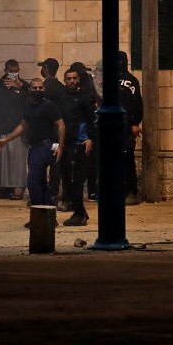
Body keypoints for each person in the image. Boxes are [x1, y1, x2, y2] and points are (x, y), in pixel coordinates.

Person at [0, 77, 64, 228]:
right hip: (35, 147)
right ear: (30, 89)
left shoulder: (49, 105)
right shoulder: (29, 107)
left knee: (33, 182)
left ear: (44, 89)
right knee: (41, 183)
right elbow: (23, 126)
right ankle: (48, 218)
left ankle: (39, 217)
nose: (38, 90)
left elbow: (61, 125)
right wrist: (7, 140)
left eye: (40, 88)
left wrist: (60, 147)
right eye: (35, 88)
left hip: (46, 146)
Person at [59, 64, 96, 226]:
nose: (72, 81)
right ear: (65, 81)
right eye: (69, 79)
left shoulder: (84, 98)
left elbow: (92, 120)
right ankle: (80, 212)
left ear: (78, 79)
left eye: (74, 78)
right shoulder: (61, 98)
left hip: (80, 144)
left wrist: (90, 138)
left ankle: (79, 213)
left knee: (77, 181)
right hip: (66, 144)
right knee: (67, 179)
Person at [0, 59, 27, 200]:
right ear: (5, 70)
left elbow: (30, 103)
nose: (13, 73)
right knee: (0, 162)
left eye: (16, 71)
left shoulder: (24, 86)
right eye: (11, 71)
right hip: (0, 127)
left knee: (17, 161)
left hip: (18, 129)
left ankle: (18, 188)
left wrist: (19, 87)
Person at [68, 61, 101, 200]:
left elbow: (92, 114)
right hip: (74, 134)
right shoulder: (69, 93)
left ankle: (92, 191)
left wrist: (91, 137)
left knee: (90, 164)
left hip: (86, 132)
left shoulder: (88, 89)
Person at [38, 57, 68, 208]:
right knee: (55, 163)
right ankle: (53, 194)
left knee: (41, 163)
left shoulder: (41, 88)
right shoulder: (62, 88)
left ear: (45, 68)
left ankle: (43, 195)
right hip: (57, 133)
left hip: (44, 132)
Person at [118, 51, 143, 205]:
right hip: (112, 128)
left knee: (127, 160)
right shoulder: (108, 79)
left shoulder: (131, 81)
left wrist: (135, 123)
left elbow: (137, 104)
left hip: (126, 127)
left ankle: (131, 192)